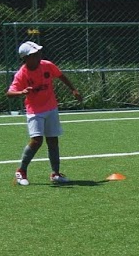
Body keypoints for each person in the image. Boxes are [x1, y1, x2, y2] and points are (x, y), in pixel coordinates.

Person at [7, 41, 82, 185]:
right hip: (35, 111)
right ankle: (21, 171)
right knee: (37, 141)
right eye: (34, 54)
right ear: (25, 58)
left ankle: (55, 174)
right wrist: (21, 92)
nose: (38, 56)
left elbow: (61, 75)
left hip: (51, 108)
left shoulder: (47, 65)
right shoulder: (22, 74)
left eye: (38, 53)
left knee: (53, 141)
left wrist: (73, 89)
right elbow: (9, 93)